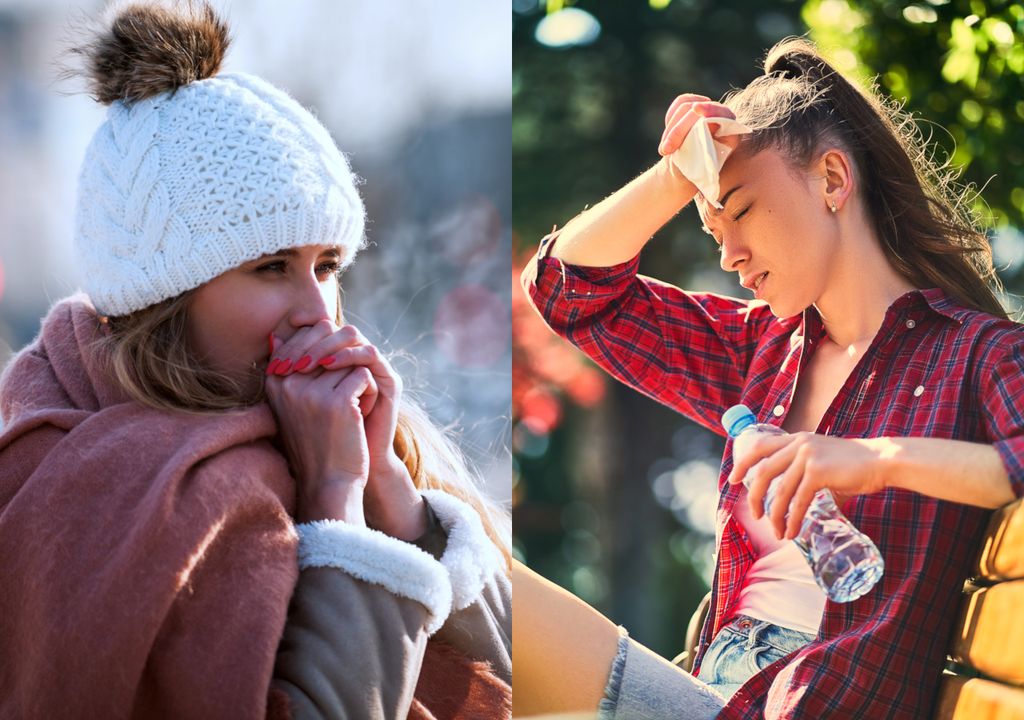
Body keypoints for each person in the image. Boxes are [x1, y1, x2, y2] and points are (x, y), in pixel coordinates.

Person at [0, 3, 510, 719]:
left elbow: (524, 673)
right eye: (272, 267)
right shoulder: (63, 479)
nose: (318, 311)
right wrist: (335, 501)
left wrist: (390, 495)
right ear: (164, 298)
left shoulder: (357, 434)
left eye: (328, 265)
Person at [516, 36, 1024, 719]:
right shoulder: (763, 351)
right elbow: (566, 291)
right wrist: (676, 173)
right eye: (711, 226)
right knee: (474, 589)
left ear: (833, 180)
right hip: (709, 695)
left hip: (801, 704)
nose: (728, 252)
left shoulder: (978, 353)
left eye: (743, 210)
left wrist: (874, 462)